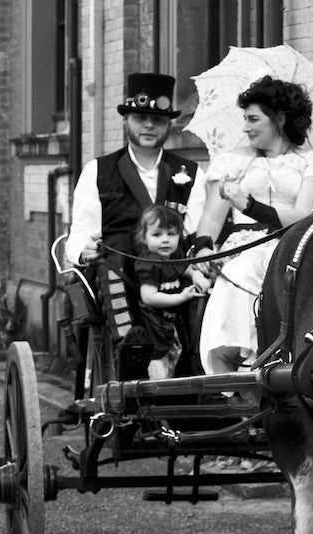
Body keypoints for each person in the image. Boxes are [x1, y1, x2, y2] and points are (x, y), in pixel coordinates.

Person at [192, 75, 313, 376]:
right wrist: (202, 249)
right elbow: (211, 218)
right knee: (238, 269)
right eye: (244, 119)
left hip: (294, 247)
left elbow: (303, 215)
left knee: (252, 268)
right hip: (242, 249)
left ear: (280, 119)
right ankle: (234, 367)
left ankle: (274, 358)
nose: (245, 127)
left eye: (253, 119)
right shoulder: (233, 163)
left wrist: (249, 206)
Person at [64, 72, 207, 375]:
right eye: (140, 117)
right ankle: (130, 347)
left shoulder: (190, 174)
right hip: (119, 272)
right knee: (114, 251)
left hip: (172, 271)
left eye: (158, 120)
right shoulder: (98, 171)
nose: (149, 126)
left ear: (170, 124)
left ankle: (196, 367)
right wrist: (83, 249)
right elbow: (80, 233)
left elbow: (194, 232)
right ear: (126, 119)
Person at [133, 206, 210, 379]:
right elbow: (149, 297)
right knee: (159, 364)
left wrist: (196, 275)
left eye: (171, 234)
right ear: (144, 238)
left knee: (177, 357)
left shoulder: (171, 258)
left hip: (171, 322)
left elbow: (185, 268)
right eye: (157, 235)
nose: (165, 240)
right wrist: (181, 297)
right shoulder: (148, 264)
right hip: (155, 324)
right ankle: (157, 397)